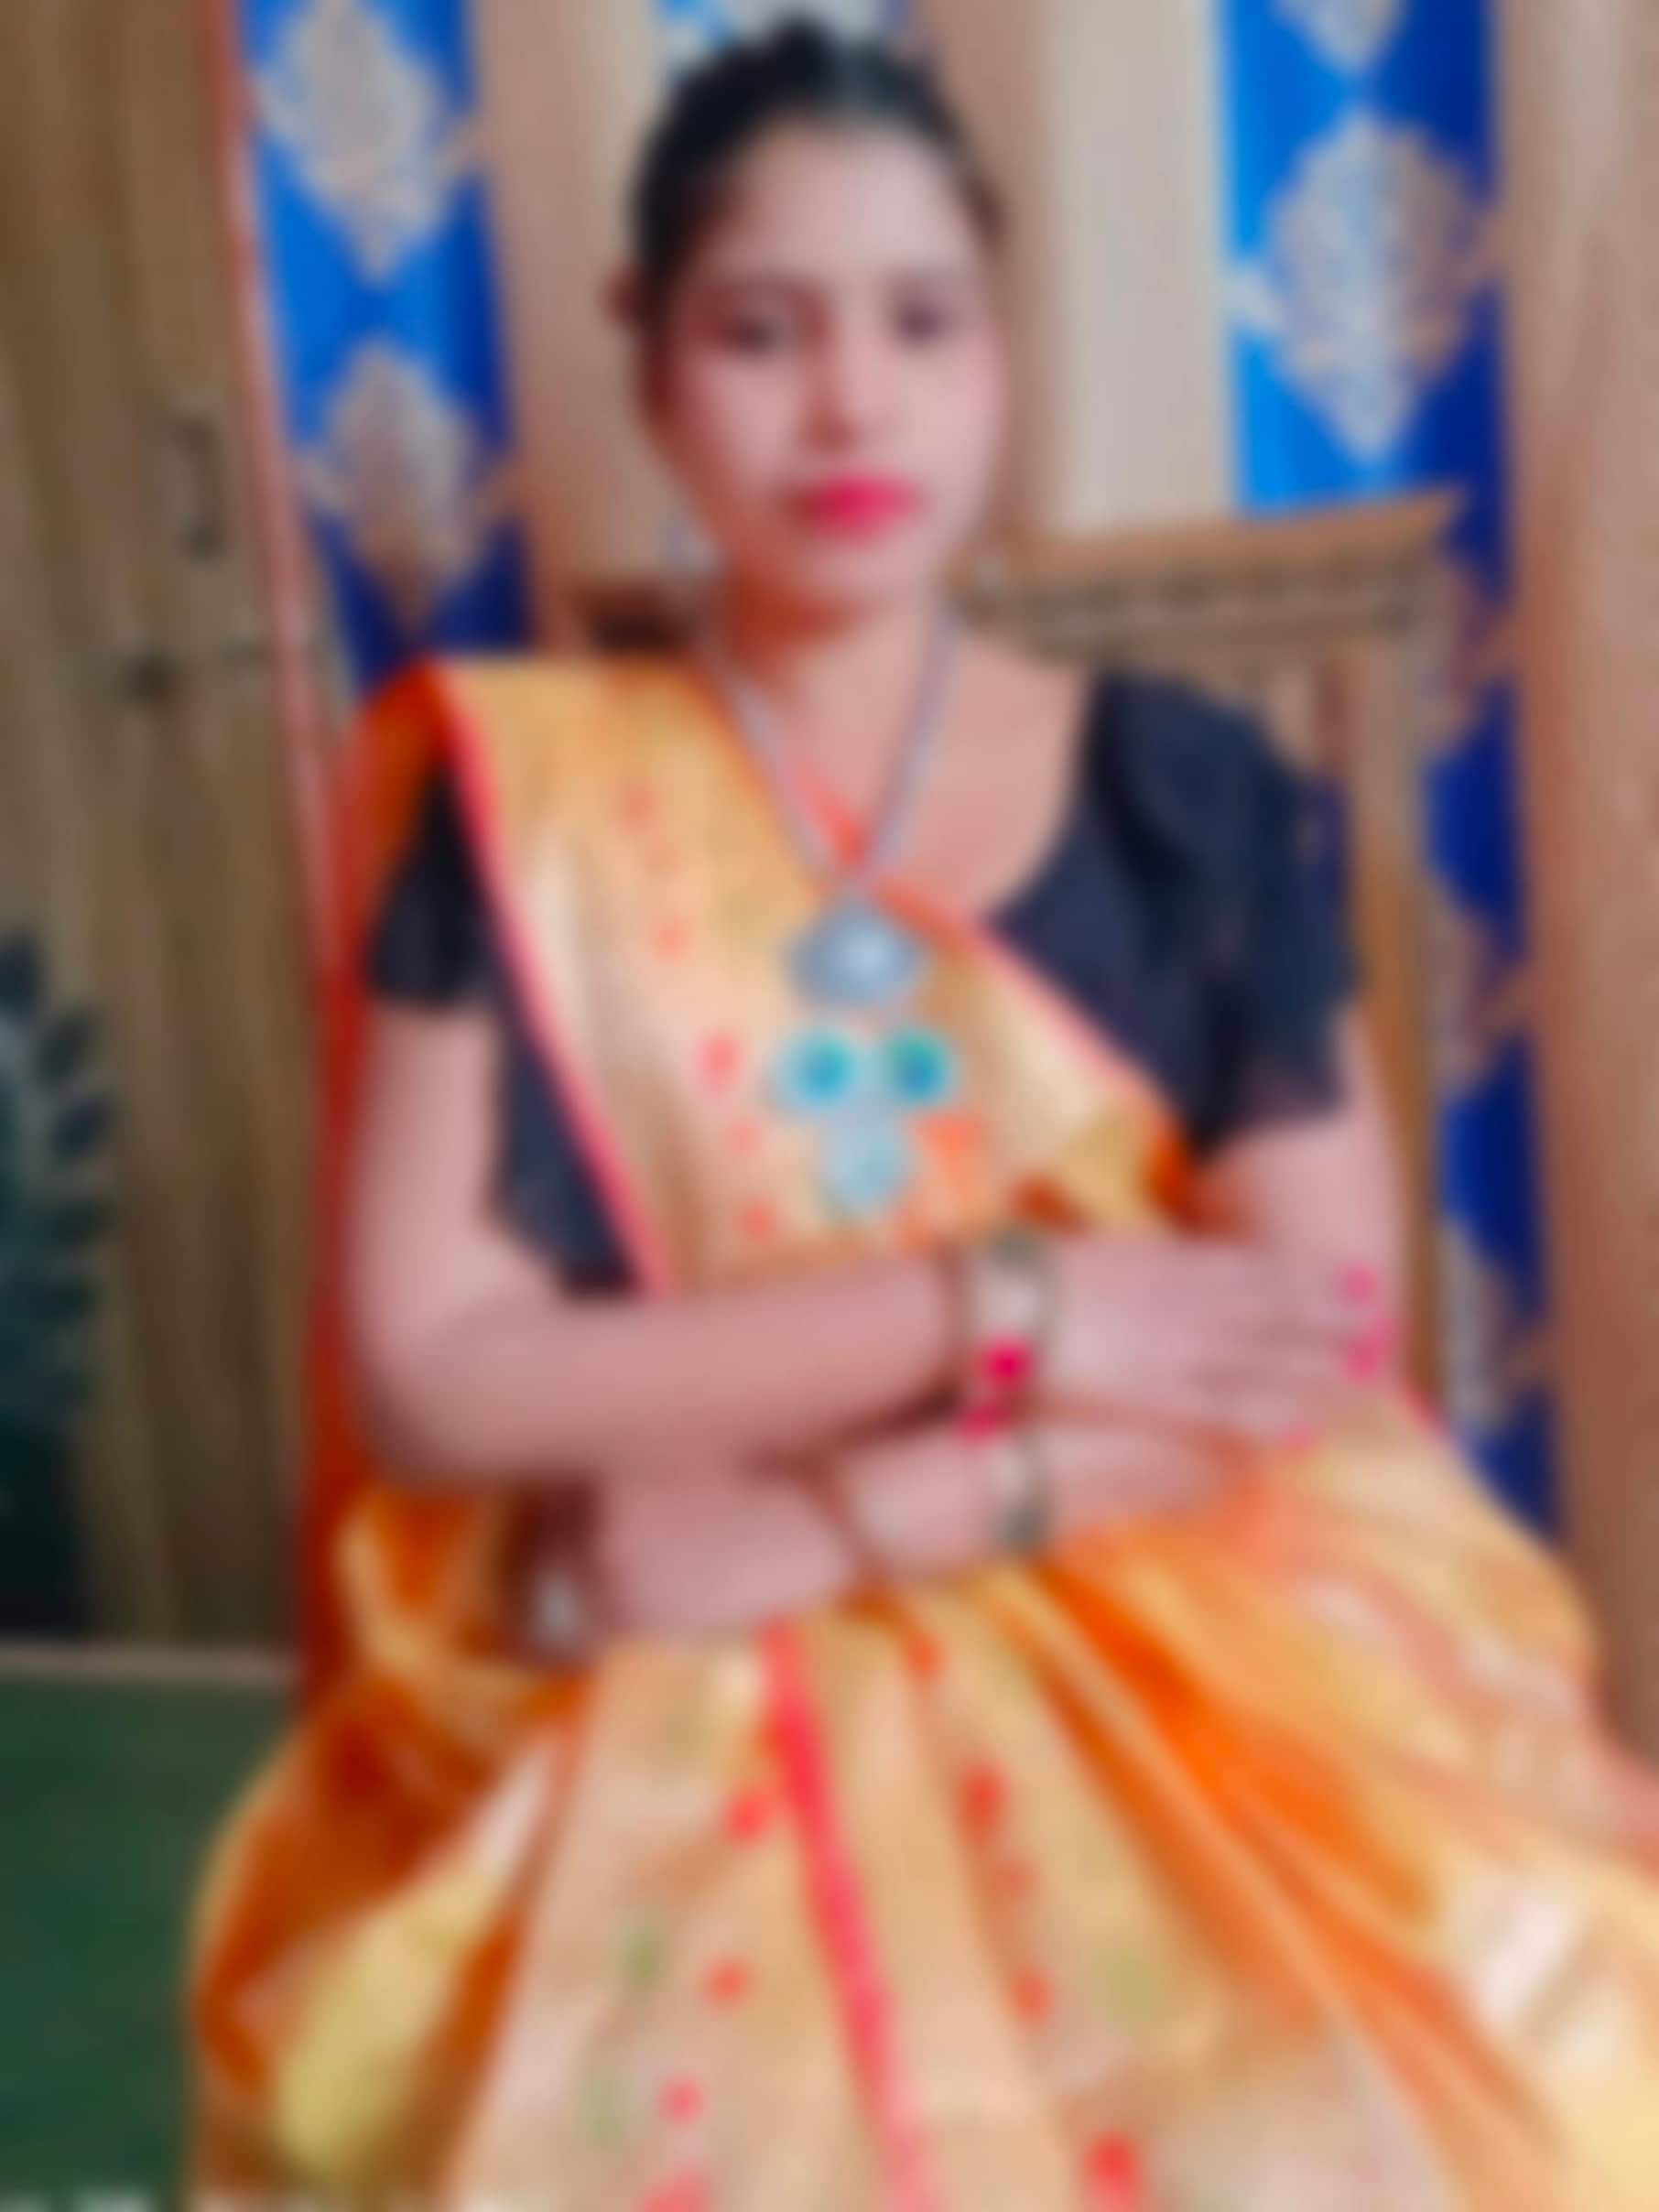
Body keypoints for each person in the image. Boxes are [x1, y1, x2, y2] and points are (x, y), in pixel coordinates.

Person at [189, 25, 1659, 2207]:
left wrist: (851, 1515)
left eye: (921, 322)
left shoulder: (1183, 795)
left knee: (1540, 2093)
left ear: (999, 354)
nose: (852, 403)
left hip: (1144, 1585)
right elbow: (435, 1377)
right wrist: (1010, 1297)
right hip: (645, 1633)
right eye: (762, 331)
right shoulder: (523, 811)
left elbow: (1310, 1334)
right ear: (651, 364)